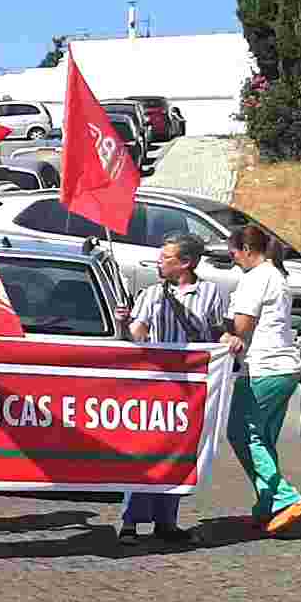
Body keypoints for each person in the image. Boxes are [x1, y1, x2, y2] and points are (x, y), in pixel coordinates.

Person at [113, 233, 225, 544]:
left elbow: (216, 338)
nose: (159, 263)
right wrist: (123, 323)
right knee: (144, 453)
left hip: (191, 390)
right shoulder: (151, 295)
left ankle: (167, 521)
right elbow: (135, 338)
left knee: (178, 455)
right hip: (156, 387)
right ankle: (130, 522)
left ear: (186, 263)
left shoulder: (211, 294)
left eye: (166, 258)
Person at [223, 223, 301, 535]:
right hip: (285, 368)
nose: (232, 259)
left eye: (233, 253)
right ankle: (267, 502)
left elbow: (242, 327)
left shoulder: (256, 278)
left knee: (244, 434)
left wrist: (221, 339)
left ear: (246, 250)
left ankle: (286, 497)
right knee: (264, 438)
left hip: (263, 368)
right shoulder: (277, 275)